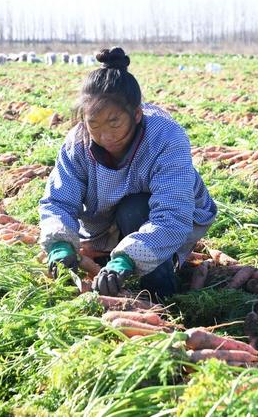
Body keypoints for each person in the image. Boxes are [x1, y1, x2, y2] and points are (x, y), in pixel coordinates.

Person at [38, 47, 217, 301]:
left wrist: (125, 261)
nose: (105, 137)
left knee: (134, 209)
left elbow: (173, 214)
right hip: (105, 220)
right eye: (94, 125)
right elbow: (58, 200)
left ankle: (159, 295)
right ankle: (119, 259)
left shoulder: (165, 138)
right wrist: (59, 242)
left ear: (135, 114)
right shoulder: (77, 143)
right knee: (120, 218)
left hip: (173, 217)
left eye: (114, 123)